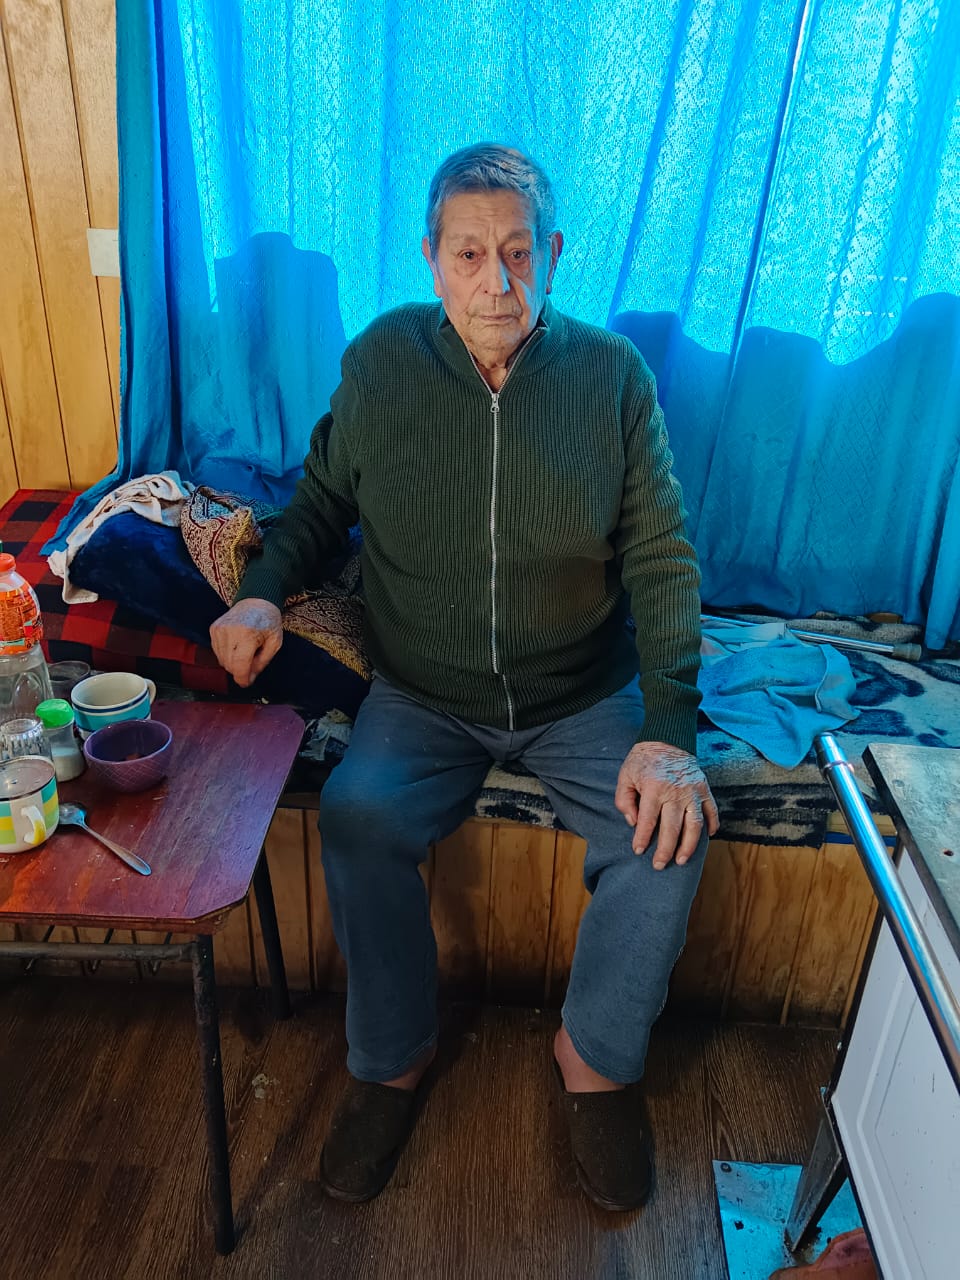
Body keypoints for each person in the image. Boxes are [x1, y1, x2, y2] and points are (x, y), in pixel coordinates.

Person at [210, 143, 719, 1212]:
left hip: (582, 691)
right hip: (424, 692)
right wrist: (260, 593)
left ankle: (596, 1059)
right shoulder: (382, 363)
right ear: (432, 259)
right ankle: (390, 1058)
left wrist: (670, 729)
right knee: (357, 816)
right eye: (472, 254)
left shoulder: (614, 378)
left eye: (520, 253)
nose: (499, 282)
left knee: (667, 837)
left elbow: (663, 558)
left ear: (554, 254)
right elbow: (318, 505)